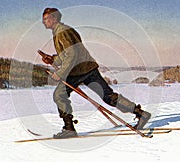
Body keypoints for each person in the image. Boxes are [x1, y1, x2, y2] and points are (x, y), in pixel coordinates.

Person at [41, 7, 151, 139]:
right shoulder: (63, 30)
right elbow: (67, 54)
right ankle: (140, 113)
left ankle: (69, 128)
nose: (44, 22)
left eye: (46, 19)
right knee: (108, 96)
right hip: (88, 68)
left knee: (59, 95)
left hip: (78, 71)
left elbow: (71, 54)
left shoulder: (61, 32)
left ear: (54, 18)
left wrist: (61, 73)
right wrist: (53, 59)